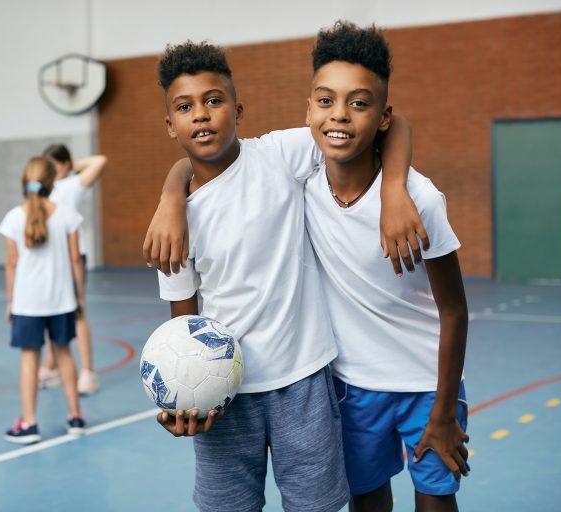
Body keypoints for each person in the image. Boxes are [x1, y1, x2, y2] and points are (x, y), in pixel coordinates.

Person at [148, 38, 422, 511]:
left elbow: (391, 123)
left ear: (238, 108)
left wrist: (395, 189)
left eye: (214, 101)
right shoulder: (174, 226)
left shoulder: (278, 154)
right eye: (185, 107)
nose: (201, 115)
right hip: (223, 392)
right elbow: (183, 326)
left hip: (306, 381)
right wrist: (181, 400)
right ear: (170, 125)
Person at [303, 22, 469, 511]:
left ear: (381, 115)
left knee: (435, 501)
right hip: (353, 387)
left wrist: (442, 411)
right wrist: (170, 192)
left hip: (426, 386)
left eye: (358, 103)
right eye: (326, 100)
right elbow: (213, 157)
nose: (340, 115)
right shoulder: (302, 177)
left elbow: (455, 312)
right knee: (368, 501)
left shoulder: (420, 198)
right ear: (309, 108)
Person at [0, 157, 87, 444]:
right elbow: (76, 260)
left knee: (29, 360)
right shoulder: (67, 215)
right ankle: (75, 417)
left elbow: (11, 263)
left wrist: (11, 302)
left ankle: (29, 423)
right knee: (64, 354)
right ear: (53, 183)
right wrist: (79, 296)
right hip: (62, 300)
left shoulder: (14, 217)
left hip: (27, 303)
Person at [38, 145, 107, 395]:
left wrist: (72, 164)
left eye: (54, 164)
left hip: (73, 255)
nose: (49, 169)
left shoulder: (72, 185)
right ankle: (51, 366)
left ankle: (88, 372)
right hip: (50, 257)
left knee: (77, 312)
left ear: (65, 165)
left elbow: (100, 161)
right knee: (51, 311)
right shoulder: (43, 190)